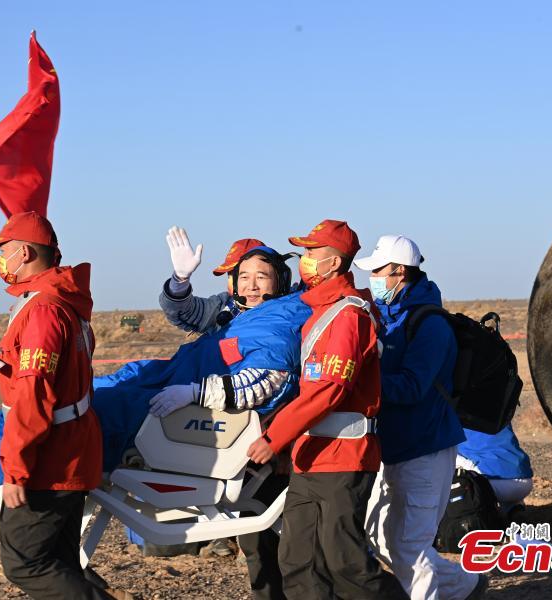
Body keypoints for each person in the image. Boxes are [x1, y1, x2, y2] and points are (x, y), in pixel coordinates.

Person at [247, 219, 408, 600]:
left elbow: (329, 390)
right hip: (310, 457)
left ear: (334, 263)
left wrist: (275, 437)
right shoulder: (321, 311)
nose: (304, 259)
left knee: (346, 564)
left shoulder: (348, 316)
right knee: (299, 562)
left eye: (311, 252)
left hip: (342, 458)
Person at [151, 227, 299, 600]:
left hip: (270, 438)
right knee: (255, 535)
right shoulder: (228, 309)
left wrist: (197, 392)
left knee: (279, 538)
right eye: (240, 277)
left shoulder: (282, 318)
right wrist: (180, 280)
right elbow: (186, 312)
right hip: (234, 433)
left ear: (279, 279)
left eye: (259, 276)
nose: (248, 285)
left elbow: (267, 381)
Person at [0, 211, 112, 600]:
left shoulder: (43, 310)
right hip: (68, 449)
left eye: (3, 250)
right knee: (60, 562)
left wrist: (16, 469)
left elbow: (34, 394)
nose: (1, 259)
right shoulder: (57, 301)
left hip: (49, 460)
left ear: (23, 253)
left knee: (27, 563)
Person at [355, 235, 485, 600]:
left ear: (399, 271)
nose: (373, 279)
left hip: (426, 448)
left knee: (410, 547)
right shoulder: (389, 317)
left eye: (378, 271)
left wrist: (360, 383)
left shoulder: (430, 325)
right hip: (392, 446)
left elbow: (413, 387)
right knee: (384, 540)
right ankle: (466, 586)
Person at [457, 424, 534, 516]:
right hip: (525, 482)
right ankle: (513, 506)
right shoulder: (500, 416)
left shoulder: (453, 420)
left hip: (492, 486)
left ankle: (476, 514)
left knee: (448, 461)